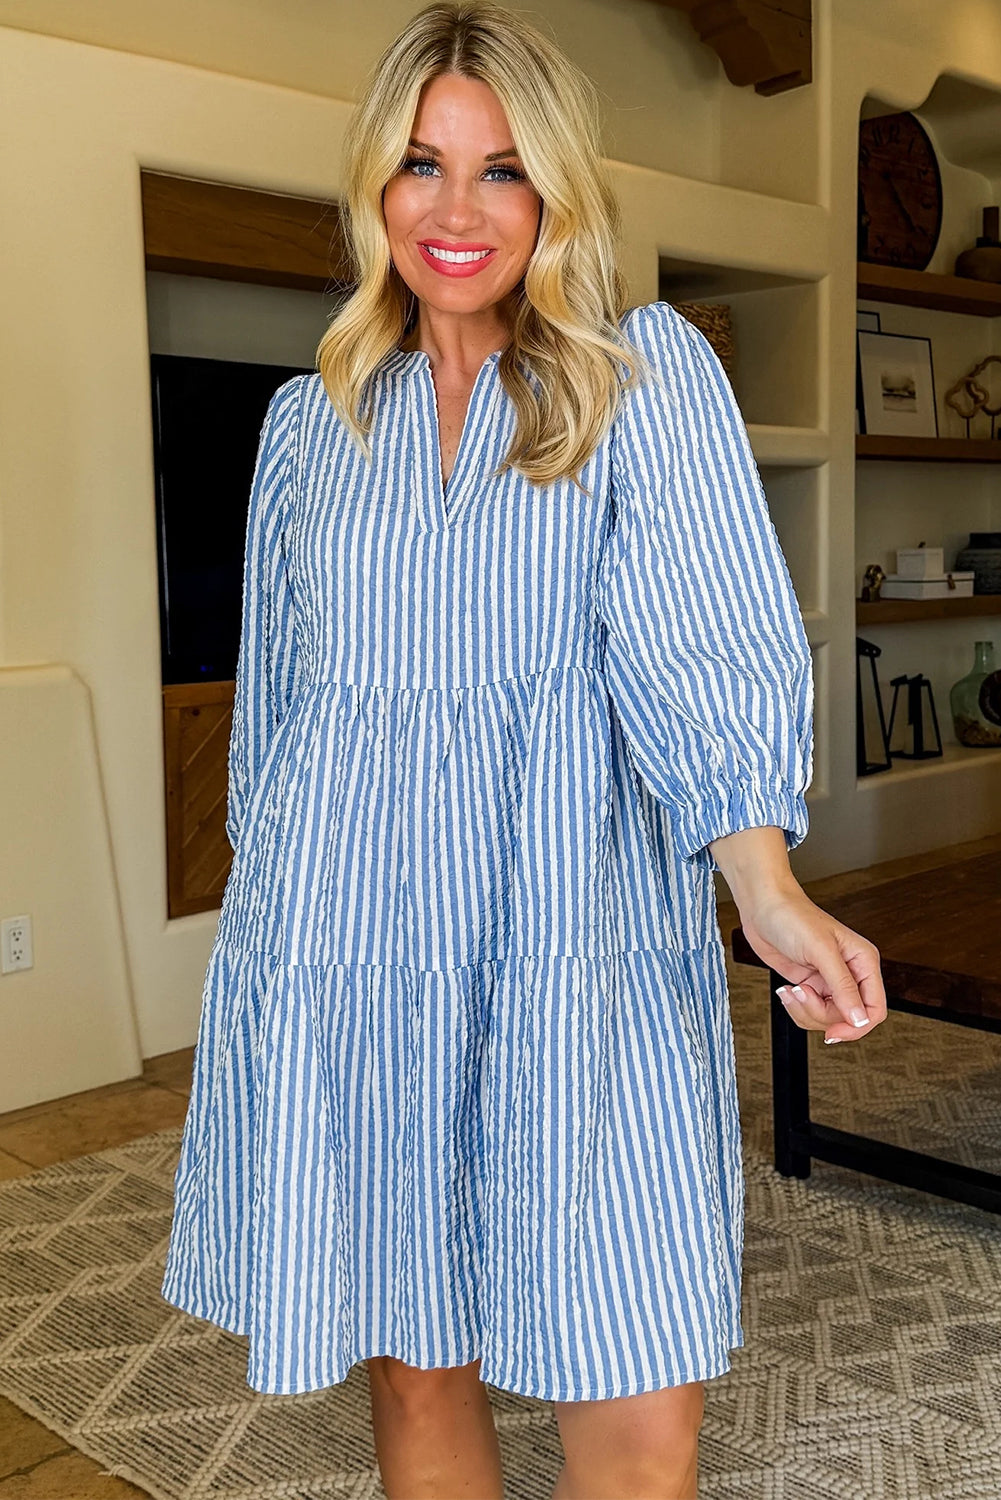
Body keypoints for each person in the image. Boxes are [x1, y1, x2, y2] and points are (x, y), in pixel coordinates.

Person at [160, 4, 887, 1496]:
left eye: (502, 170)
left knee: (627, 1357)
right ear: (374, 183)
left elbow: (698, 645)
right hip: (355, 948)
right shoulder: (307, 427)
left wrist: (763, 888)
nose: (457, 209)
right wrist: (272, 958)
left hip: (577, 935)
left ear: (555, 191)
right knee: (414, 1355)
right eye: (422, 164)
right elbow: (282, 709)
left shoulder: (639, 378)